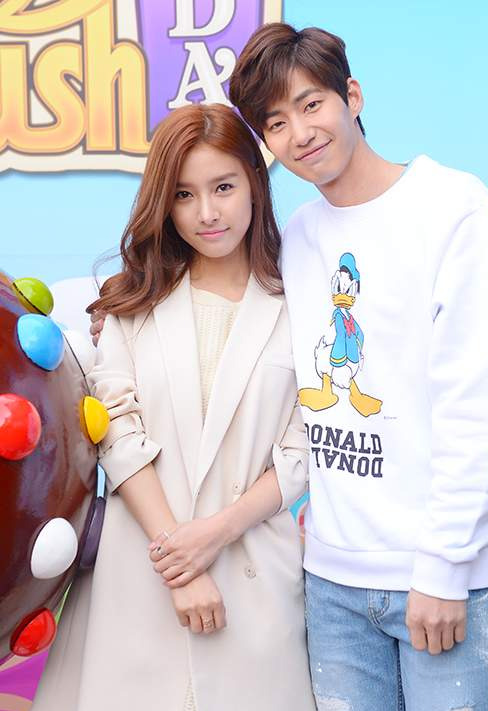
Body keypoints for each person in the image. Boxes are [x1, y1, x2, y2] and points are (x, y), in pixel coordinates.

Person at [226, 23, 488, 711]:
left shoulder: (456, 212)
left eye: (311, 104)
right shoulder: (299, 237)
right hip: (333, 582)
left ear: (352, 96)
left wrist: (444, 568)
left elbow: (479, 407)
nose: (300, 133)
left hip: (443, 579)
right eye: (276, 123)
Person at [32, 103, 316, 711]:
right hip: (140, 572)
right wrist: (179, 562)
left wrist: (213, 536)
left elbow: (300, 452)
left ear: (255, 183)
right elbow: (117, 434)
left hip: (251, 572)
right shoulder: (133, 301)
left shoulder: (302, 303)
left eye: (223, 187)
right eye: (185, 194)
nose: (207, 212)